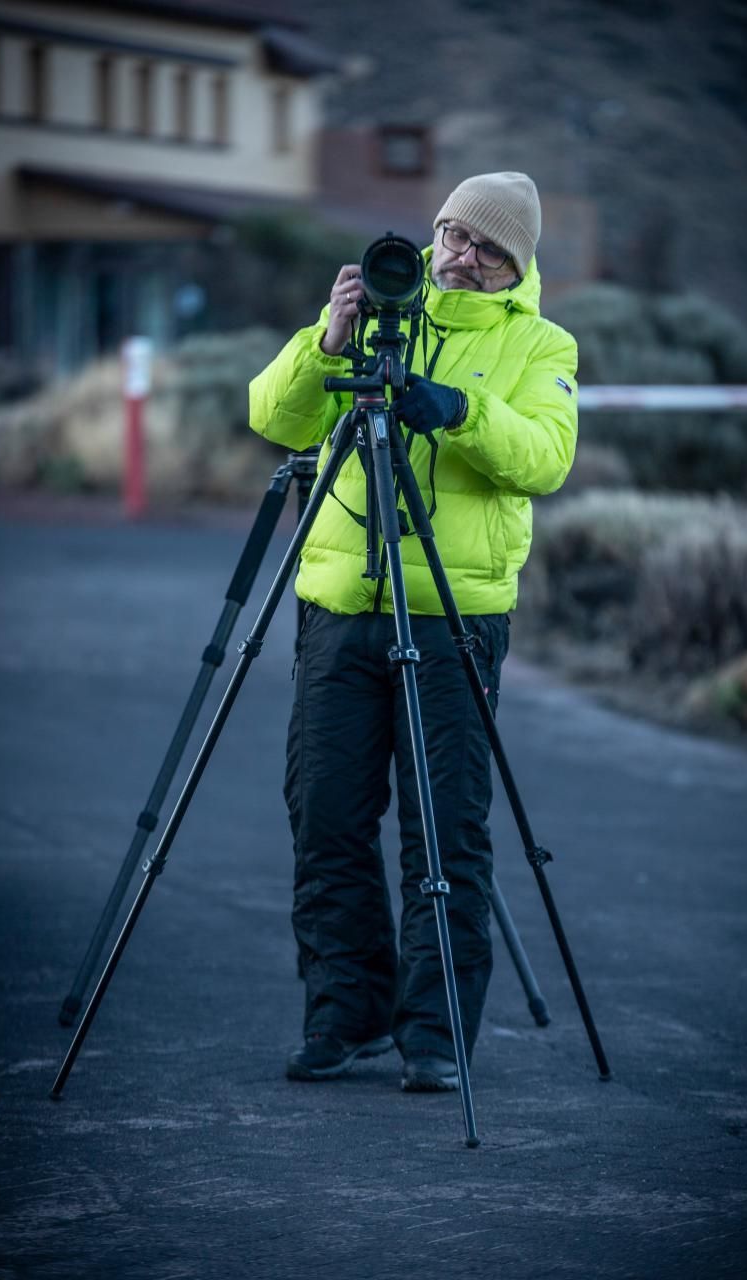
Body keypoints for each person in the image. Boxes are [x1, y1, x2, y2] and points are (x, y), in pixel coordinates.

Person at [248, 172, 578, 1092]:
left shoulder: (542, 343)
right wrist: (329, 340)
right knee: (325, 819)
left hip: (453, 614)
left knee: (444, 831)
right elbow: (272, 415)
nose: (460, 258)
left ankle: (435, 1034)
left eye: (484, 248)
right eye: (450, 236)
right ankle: (344, 1014)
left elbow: (548, 459)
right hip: (339, 604)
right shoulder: (384, 309)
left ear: (517, 264)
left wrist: (461, 411)